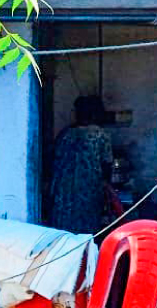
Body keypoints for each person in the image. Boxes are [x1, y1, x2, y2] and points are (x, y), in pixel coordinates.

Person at [48, 95, 114, 234]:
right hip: (88, 191)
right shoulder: (100, 135)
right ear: (94, 113)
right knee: (86, 230)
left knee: (63, 230)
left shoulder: (65, 134)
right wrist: (107, 185)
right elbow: (107, 164)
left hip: (63, 192)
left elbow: (53, 160)